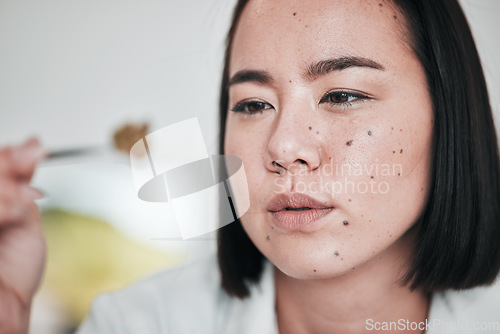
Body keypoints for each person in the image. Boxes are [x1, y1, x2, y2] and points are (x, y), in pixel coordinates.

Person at [1, 0, 499, 333]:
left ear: (449, 114)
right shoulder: (139, 322)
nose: (283, 146)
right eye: (253, 105)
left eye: (343, 94)